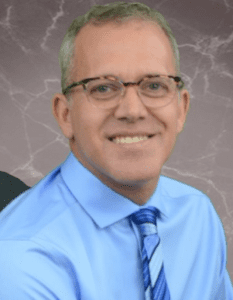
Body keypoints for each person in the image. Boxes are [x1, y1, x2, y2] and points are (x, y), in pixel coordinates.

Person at [0, 2, 232, 299]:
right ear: (65, 114)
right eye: (103, 88)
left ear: (181, 108)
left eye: (154, 85)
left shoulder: (197, 216)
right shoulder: (23, 257)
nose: (132, 111)